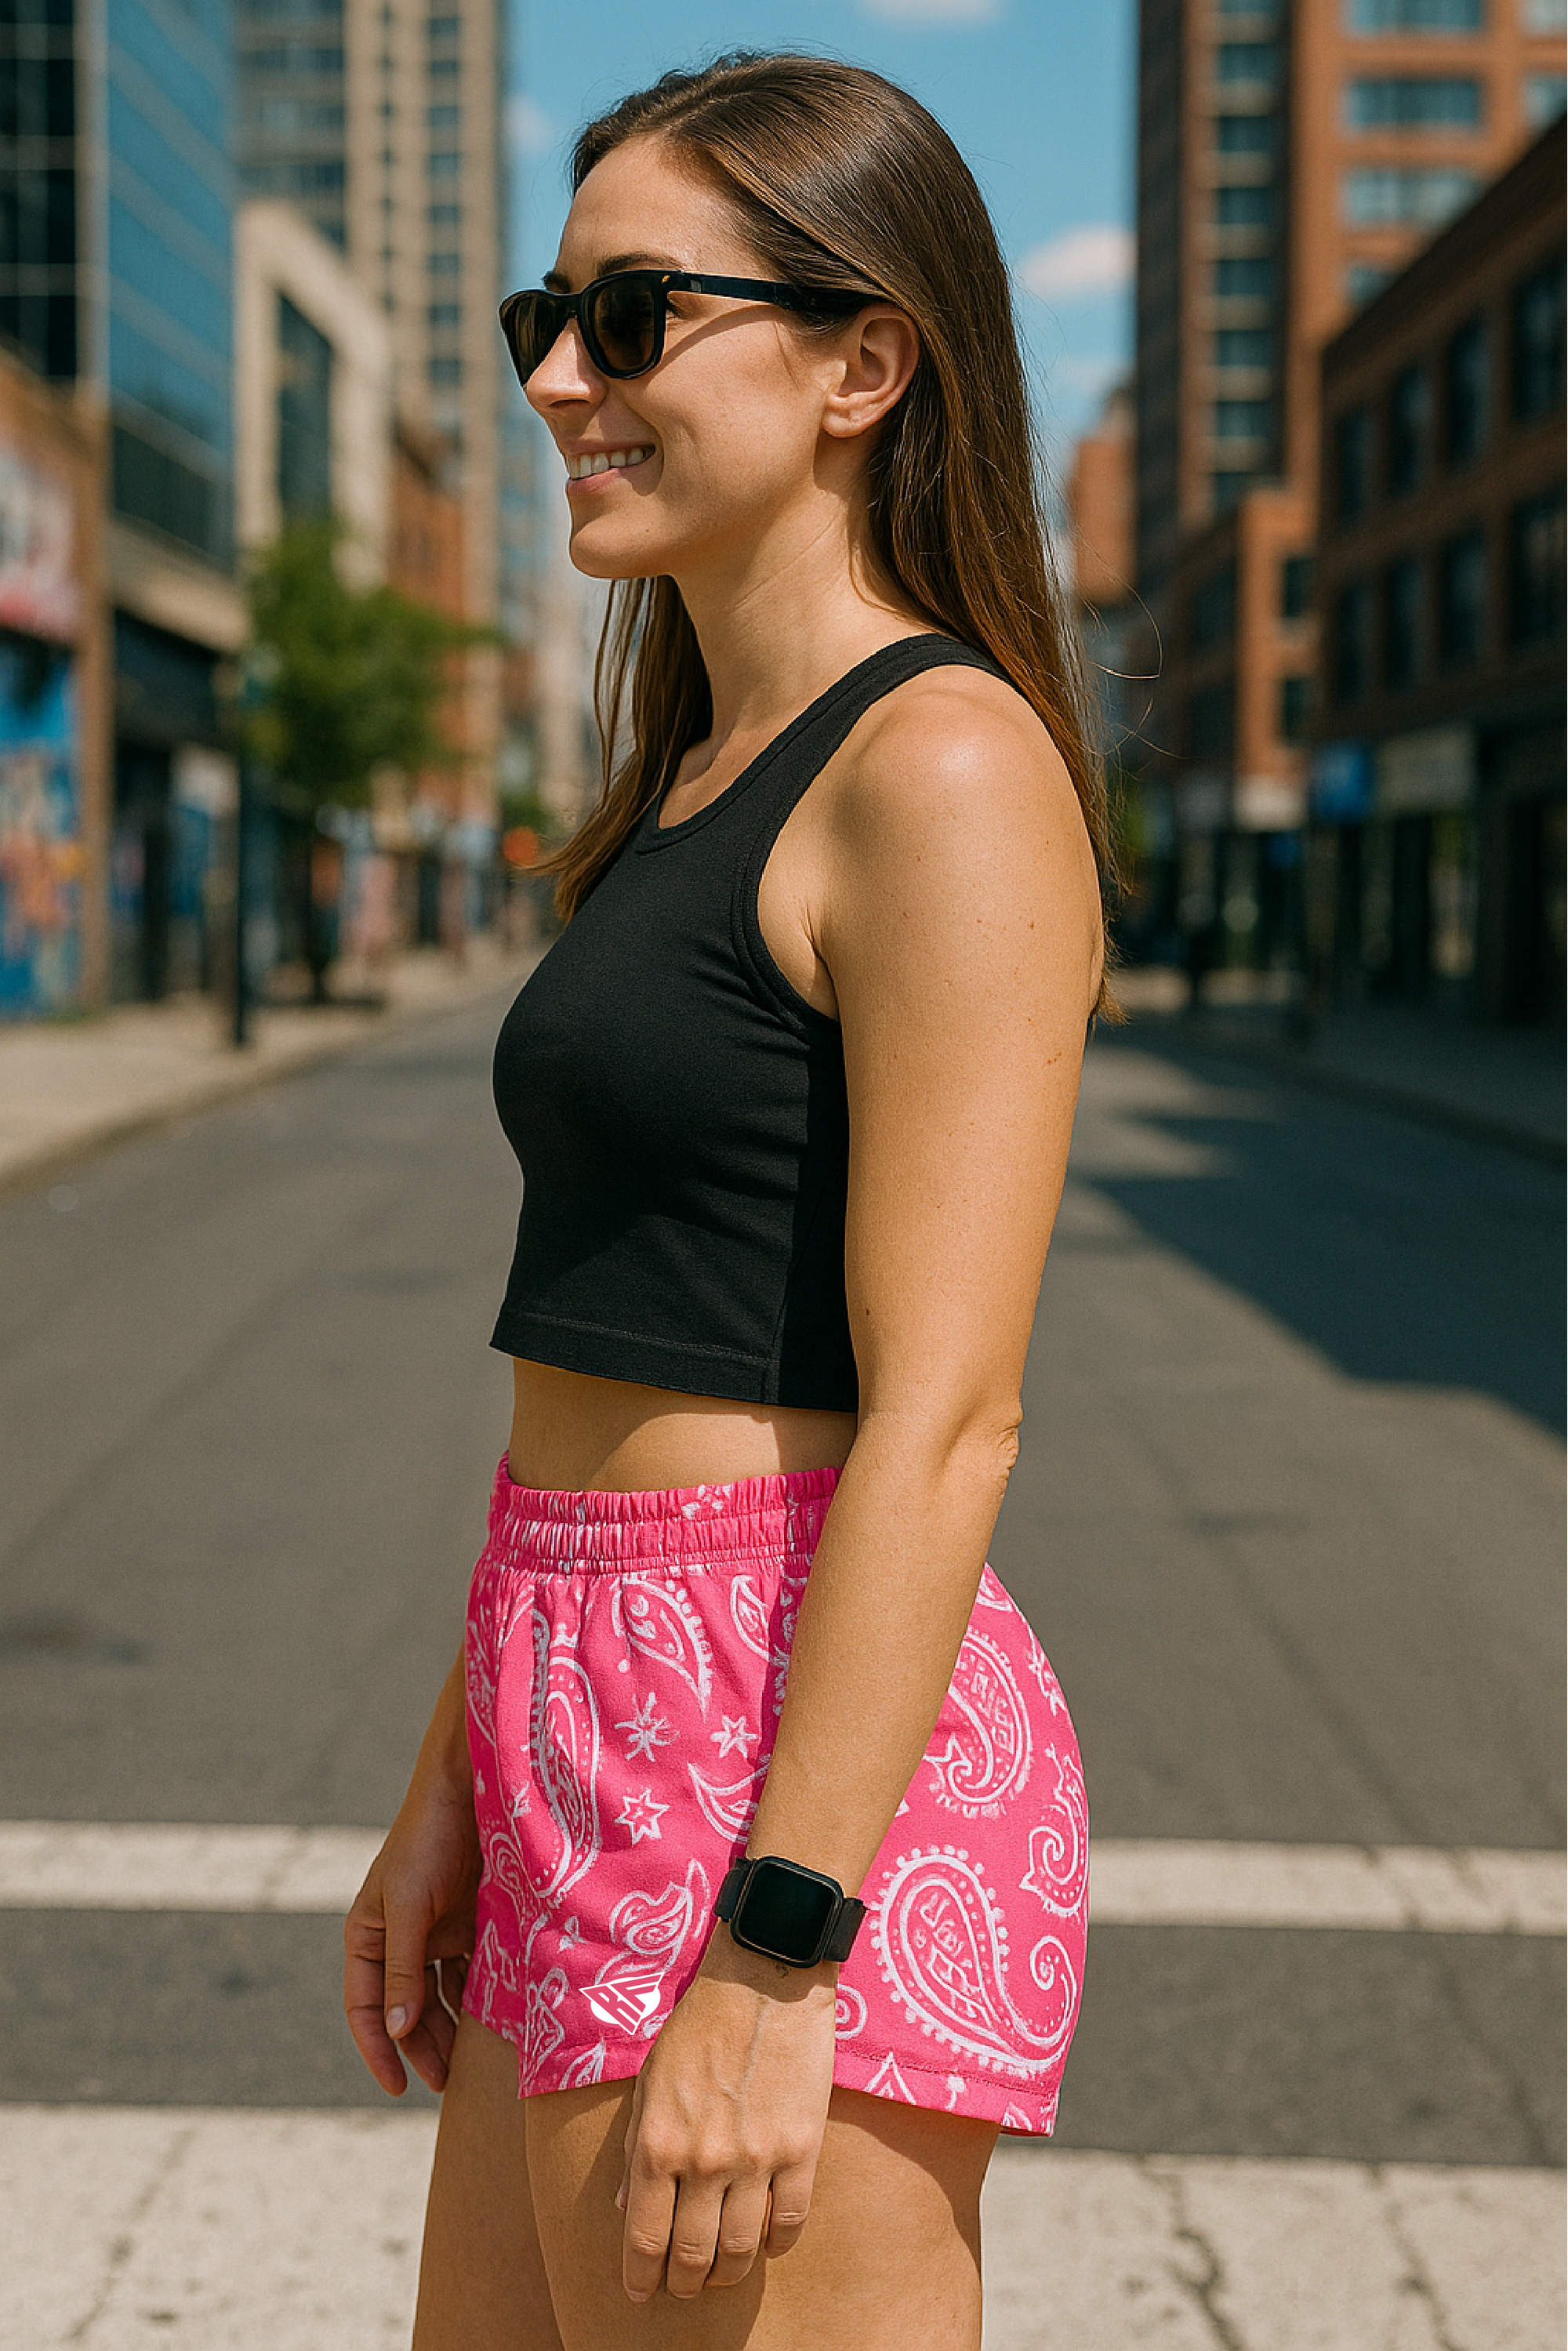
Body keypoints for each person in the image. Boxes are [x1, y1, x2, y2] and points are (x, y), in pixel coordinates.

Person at [344, 51, 1112, 2350]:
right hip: (569, 1705)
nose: (562, 379)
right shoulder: (688, 782)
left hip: (777, 1753)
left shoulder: (944, 769)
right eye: (541, 321)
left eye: (636, 313)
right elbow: (603, 1329)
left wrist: (785, 1948)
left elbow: (950, 1413)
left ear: (865, 360)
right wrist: (448, 1780)